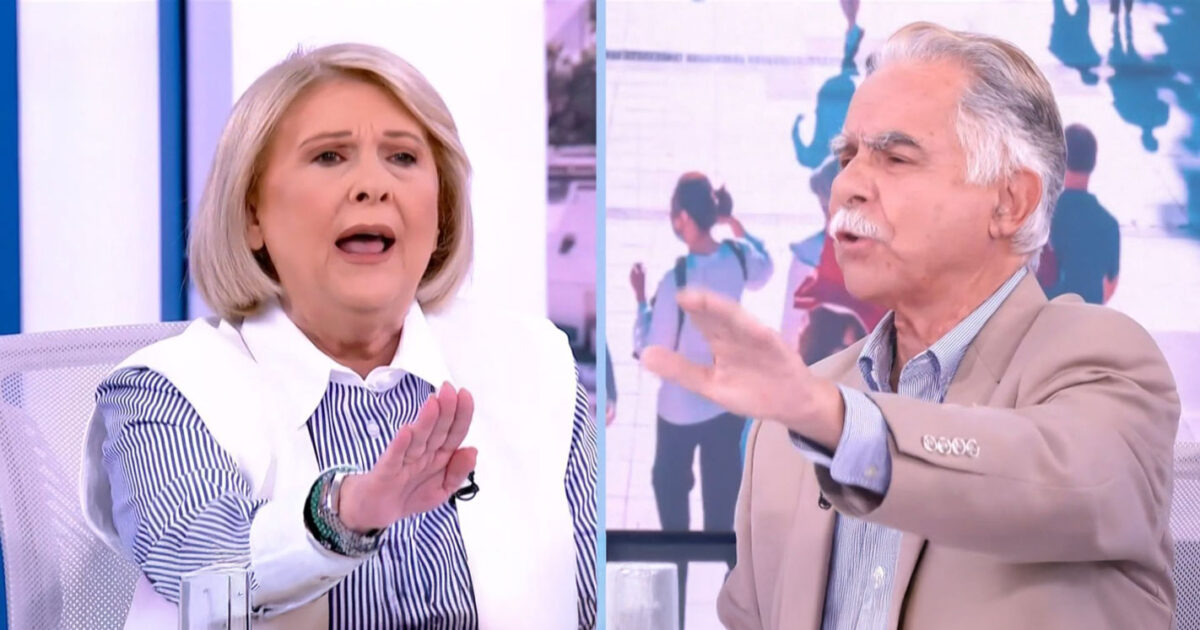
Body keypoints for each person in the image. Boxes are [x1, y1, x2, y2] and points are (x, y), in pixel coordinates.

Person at [642, 22, 1179, 630]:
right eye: (847, 157)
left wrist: (843, 426)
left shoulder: (1104, 363)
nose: (846, 185)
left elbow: (1059, 479)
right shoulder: (787, 432)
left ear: (1010, 202)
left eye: (895, 158)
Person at [80, 44, 597, 630]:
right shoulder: (164, 390)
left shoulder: (536, 365)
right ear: (252, 215)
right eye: (329, 156)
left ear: (441, 211)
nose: (373, 186)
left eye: (402, 157)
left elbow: (600, 596)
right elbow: (202, 565)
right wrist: (344, 514)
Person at [629, 173, 773, 535]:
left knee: (670, 492)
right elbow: (766, 267)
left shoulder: (675, 281)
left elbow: (651, 351)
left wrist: (641, 301)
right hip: (726, 403)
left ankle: (677, 565)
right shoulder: (738, 258)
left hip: (678, 409)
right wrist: (735, 225)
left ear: (684, 219)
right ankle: (726, 567)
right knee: (722, 506)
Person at [1042, 123, 1121, 304]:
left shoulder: (1041, 215)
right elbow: (1110, 284)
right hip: (1087, 315)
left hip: (1045, 315)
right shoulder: (1108, 224)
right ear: (1093, 163)